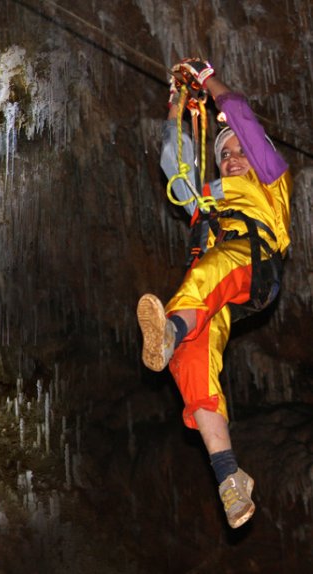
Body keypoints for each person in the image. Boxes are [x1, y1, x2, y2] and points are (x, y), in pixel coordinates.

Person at [137, 58, 293, 529]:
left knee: (213, 266)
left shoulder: (270, 178)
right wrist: (176, 103)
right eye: (223, 153)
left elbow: (240, 114)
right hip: (225, 293)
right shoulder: (211, 197)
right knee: (190, 358)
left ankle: (171, 328)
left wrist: (206, 79)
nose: (231, 157)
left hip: (256, 262)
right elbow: (173, 161)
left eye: (237, 151)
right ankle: (230, 479)